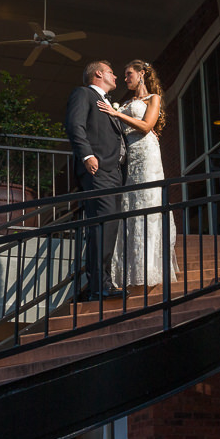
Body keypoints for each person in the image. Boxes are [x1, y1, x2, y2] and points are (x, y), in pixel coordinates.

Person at [97, 60, 178, 291]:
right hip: (130, 158)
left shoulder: (154, 98)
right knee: (129, 207)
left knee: (148, 202)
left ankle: (150, 268)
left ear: (142, 74)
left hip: (148, 154)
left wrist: (117, 113)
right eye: (123, 75)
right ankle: (130, 269)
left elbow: (146, 125)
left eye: (129, 73)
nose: (125, 79)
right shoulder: (126, 103)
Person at [65, 60, 127, 301]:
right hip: (97, 170)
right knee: (103, 225)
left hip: (114, 173)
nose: (116, 77)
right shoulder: (83, 94)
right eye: (112, 72)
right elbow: (74, 125)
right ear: (99, 73)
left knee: (108, 225)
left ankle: (100, 283)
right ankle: (100, 285)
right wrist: (87, 155)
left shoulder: (109, 103)